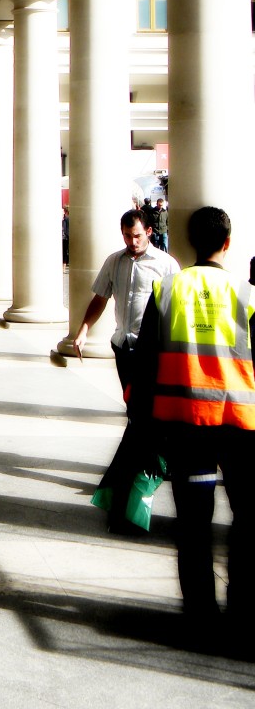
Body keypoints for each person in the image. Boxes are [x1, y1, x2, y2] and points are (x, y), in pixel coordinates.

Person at [129, 207, 255, 632]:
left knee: (194, 524)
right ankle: (244, 608)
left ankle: (201, 613)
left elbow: (145, 363)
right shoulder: (248, 294)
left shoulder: (167, 290)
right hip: (240, 424)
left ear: (188, 242)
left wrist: (142, 424)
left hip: (183, 423)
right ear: (228, 242)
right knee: (248, 519)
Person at [72, 208, 180, 390]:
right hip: (122, 344)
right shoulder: (114, 261)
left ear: (149, 232)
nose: (133, 242)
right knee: (129, 400)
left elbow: (176, 307)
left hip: (152, 347)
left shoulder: (166, 264)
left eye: (137, 235)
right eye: (127, 236)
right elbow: (100, 298)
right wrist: (83, 330)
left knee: (146, 403)